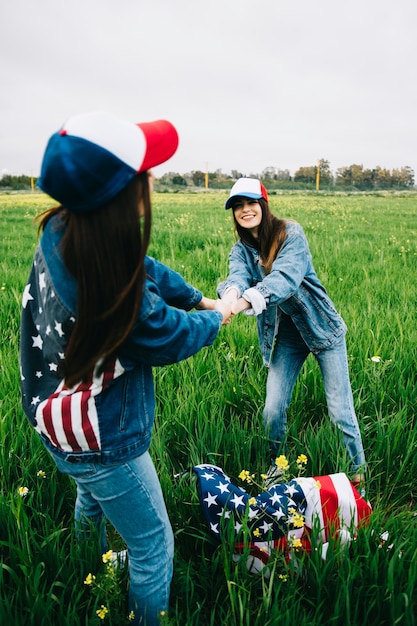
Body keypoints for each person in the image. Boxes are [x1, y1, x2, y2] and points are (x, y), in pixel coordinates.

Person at [19, 111, 232, 625]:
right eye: (143, 172)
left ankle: (85, 571)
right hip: (102, 436)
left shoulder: (64, 229)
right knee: (154, 543)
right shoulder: (115, 292)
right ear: (118, 198)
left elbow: (146, 266)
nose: (152, 178)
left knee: (89, 498)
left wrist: (194, 296)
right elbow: (169, 335)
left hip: (55, 418)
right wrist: (219, 315)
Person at [217, 177, 366, 487]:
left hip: (323, 330)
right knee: (272, 409)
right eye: (238, 206)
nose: (245, 210)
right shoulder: (241, 249)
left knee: (340, 411)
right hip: (284, 338)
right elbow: (236, 275)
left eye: (250, 203)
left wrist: (245, 300)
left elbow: (284, 279)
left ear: (263, 204)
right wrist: (229, 299)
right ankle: (277, 467)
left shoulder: (290, 234)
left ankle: (358, 477)